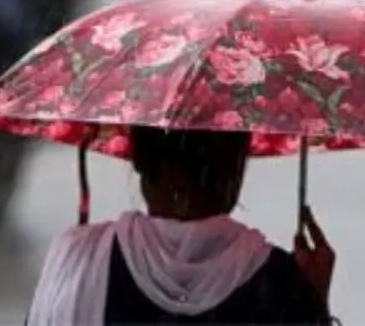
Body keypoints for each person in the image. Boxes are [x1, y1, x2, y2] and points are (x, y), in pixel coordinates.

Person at [27, 127, 335, 325]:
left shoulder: (80, 262)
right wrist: (314, 300)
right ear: (239, 162)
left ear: (137, 158)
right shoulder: (278, 283)